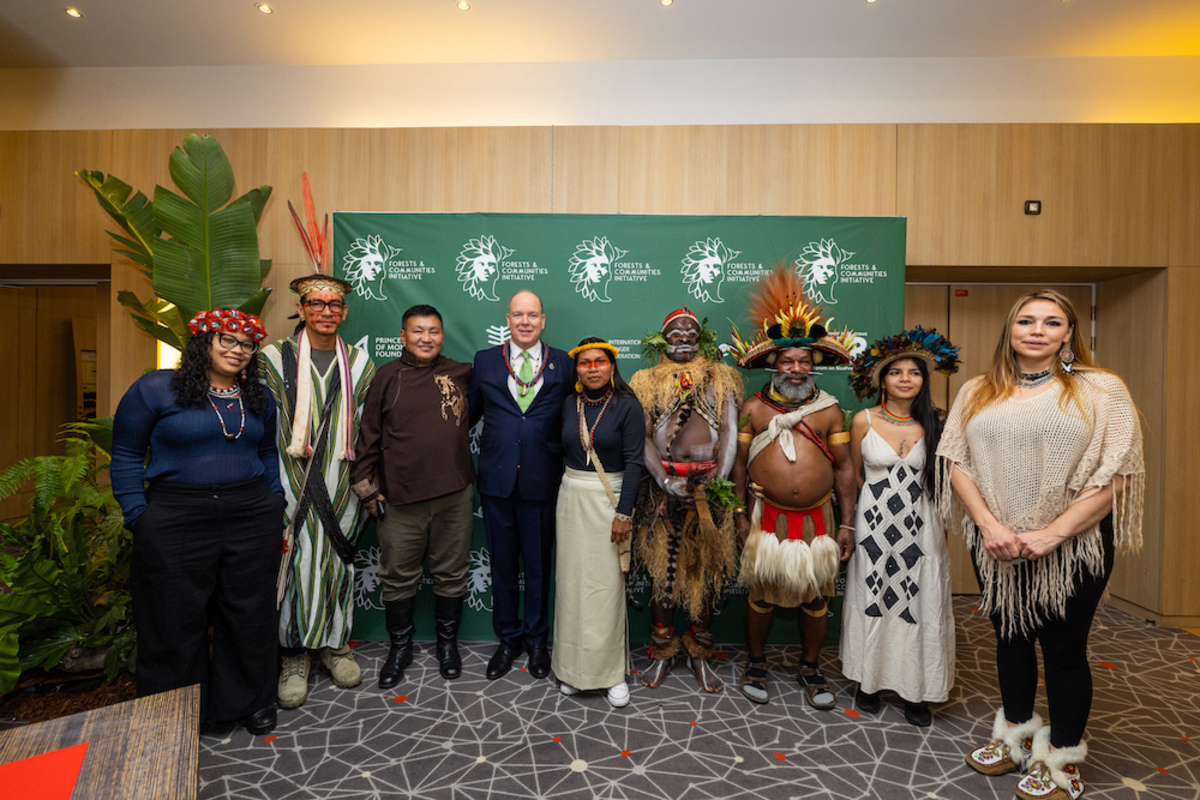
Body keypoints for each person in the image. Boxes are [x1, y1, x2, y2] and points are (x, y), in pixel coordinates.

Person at [939, 290, 1143, 800]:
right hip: (996, 543)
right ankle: (1014, 738)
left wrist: (1053, 533)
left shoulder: (1100, 389)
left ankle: (1063, 759)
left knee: (1064, 651)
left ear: (1069, 333)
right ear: (1009, 330)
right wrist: (988, 525)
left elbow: (1117, 473)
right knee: (1009, 638)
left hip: (1072, 548)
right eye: (1026, 321)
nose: (1037, 330)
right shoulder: (978, 390)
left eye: (1052, 323)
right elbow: (956, 462)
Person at [111, 309, 285, 736]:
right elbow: (127, 454)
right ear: (202, 342)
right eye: (227, 340)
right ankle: (178, 712)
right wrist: (138, 514)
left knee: (248, 614)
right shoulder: (156, 389)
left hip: (248, 515)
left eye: (246, 344)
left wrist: (273, 500)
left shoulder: (260, 398)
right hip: (175, 516)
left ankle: (248, 702)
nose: (237, 350)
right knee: (173, 617)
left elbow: (266, 454)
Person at [728, 267, 856, 708]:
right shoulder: (753, 409)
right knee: (762, 593)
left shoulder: (830, 411)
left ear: (814, 365)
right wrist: (741, 516)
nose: (796, 369)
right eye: (788, 362)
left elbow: (844, 470)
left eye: (804, 362)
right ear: (774, 365)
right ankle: (757, 662)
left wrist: (849, 525)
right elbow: (738, 469)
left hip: (819, 518)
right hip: (768, 518)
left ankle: (810, 667)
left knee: (815, 597)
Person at [260, 273, 376, 710]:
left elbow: (370, 427)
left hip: (343, 481)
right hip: (292, 479)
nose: (326, 311)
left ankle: (334, 645)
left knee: (337, 564)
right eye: (316, 304)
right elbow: (261, 423)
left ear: (344, 312)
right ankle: (294, 656)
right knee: (297, 563)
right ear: (302, 309)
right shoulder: (274, 358)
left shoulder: (361, 362)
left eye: (334, 305)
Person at [841, 327, 961, 727]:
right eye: (897, 372)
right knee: (873, 595)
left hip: (921, 525)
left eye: (914, 372)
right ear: (882, 379)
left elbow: (947, 479)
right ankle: (869, 683)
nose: (906, 378)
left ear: (924, 380)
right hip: (874, 525)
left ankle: (916, 690)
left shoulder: (938, 421)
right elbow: (853, 476)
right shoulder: (863, 420)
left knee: (918, 602)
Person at [351, 304, 474, 686]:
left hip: (454, 493)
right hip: (400, 498)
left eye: (434, 331)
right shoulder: (387, 377)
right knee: (398, 577)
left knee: (451, 573)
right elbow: (368, 436)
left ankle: (447, 645)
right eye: (418, 331)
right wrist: (367, 489)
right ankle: (399, 648)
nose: (426, 338)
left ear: (442, 335)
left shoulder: (462, 373)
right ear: (402, 336)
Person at [629, 308, 742, 693]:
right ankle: (661, 652)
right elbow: (641, 437)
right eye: (674, 332)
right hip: (664, 490)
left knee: (706, 575)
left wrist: (718, 482)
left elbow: (729, 430)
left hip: (710, 489)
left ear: (702, 337)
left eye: (690, 331)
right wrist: (663, 479)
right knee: (664, 574)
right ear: (662, 339)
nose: (683, 336)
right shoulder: (645, 381)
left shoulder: (722, 378)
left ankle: (700, 653)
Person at [469, 290, 574, 680]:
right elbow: (467, 416)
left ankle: (536, 641)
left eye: (532, 315)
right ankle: (508, 639)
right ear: (508, 320)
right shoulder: (484, 362)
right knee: (501, 566)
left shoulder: (563, 363)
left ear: (543, 320)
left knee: (538, 566)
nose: (525, 322)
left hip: (542, 481)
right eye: (518, 315)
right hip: (496, 482)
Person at [553, 338, 645, 708]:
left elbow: (636, 463)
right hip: (572, 496)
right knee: (572, 586)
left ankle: (610, 675)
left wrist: (624, 513)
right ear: (577, 369)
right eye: (585, 363)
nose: (592, 368)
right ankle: (573, 670)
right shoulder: (568, 405)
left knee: (605, 590)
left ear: (611, 366)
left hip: (610, 501)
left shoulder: (627, 405)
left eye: (600, 362)